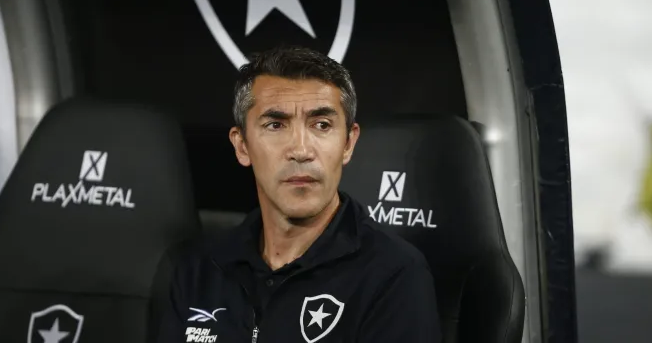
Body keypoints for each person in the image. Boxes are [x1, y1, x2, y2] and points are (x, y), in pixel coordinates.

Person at [157, 46, 441, 342]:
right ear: (242, 146)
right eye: (276, 125)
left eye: (321, 125)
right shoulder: (200, 268)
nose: (301, 151)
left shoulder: (393, 275)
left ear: (348, 143)